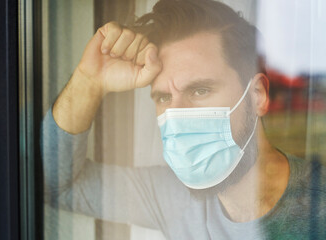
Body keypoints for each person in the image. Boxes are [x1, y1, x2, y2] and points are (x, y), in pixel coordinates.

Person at [41, 0, 326, 239]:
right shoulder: (174, 198)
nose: (178, 116)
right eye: (164, 98)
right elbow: (54, 184)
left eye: (200, 90)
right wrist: (89, 82)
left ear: (258, 95)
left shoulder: (319, 209)